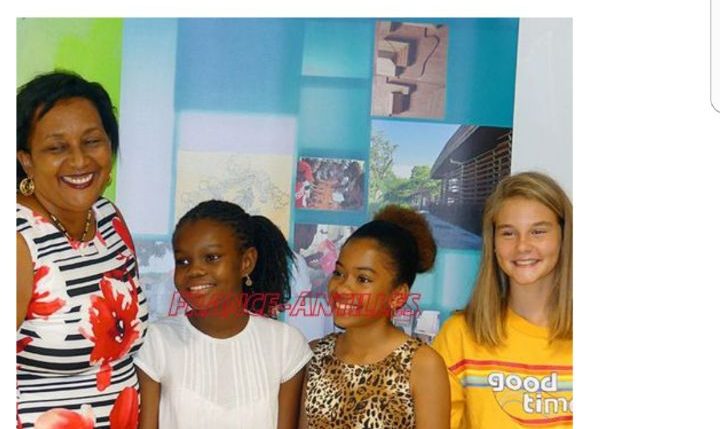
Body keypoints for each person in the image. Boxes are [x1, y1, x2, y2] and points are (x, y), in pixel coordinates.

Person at [16, 70, 148, 428]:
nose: (79, 160)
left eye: (91, 141)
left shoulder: (108, 217)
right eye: (56, 147)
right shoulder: (17, 239)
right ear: (27, 160)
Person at [135, 200, 312, 429]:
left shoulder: (286, 344)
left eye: (211, 257)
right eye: (183, 261)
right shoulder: (156, 341)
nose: (194, 270)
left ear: (246, 262)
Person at [432, 172, 573, 428]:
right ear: (493, 243)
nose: (523, 246)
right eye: (508, 233)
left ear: (564, 236)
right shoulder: (459, 335)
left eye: (538, 231)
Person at [300, 205, 450, 429]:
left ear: (398, 296)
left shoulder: (422, 365)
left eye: (363, 279)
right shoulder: (316, 354)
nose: (342, 288)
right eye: (339, 273)